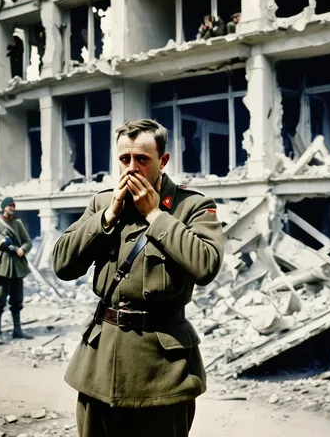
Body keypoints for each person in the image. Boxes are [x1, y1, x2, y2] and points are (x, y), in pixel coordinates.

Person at [52, 119, 224, 437]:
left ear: (163, 161)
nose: (131, 168)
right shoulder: (102, 203)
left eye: (142, 159)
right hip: (101, 365)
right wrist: (108, 216)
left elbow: (205, 265)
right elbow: (62, 264)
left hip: (161, 370)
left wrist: (155, 216)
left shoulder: (193, 207)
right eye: (124, 159)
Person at [0, 197, 33, 345]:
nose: (11, 208)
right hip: (0, 265)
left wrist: (23, 249)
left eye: (13, 205)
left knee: (17, 299)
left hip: (17, 265)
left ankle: (17, 330)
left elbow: (27, 241)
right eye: (9, 206)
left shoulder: (17, 223)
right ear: (3, 207)